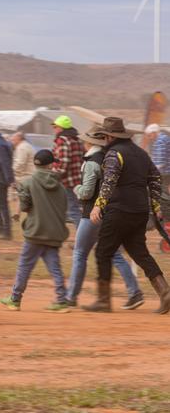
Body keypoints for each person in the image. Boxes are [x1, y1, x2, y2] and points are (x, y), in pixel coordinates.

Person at [83, 117, 170, 314]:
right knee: (140, 253)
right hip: (140, 211)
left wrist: (99, 205)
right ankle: (165, 292)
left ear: (108, 136)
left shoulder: (114, 153)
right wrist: (155, 203)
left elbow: (109, 181)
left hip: (119, 210)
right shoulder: (141, 153)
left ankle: (104, 301)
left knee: (102, 252)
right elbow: (156, 177)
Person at [64, 127, 143, 308]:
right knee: (113, 254)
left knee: (79, 253)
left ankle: (71, 296)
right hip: (110, 212)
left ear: (91, 143)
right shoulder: (109, 159)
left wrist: (76, 188)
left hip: (91, 213)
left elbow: (86, 193)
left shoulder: (92, 162)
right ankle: (134, 292)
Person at [0, 149, 70, 313]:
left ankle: (15, 299)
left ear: (36, 164)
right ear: (51, 164)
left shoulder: (28, 182)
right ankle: (61, 300)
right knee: (55, 267)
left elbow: (25, 207)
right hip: (54, 233)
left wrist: (22, 195)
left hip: (35, 232)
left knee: (24, 266)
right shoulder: (60, 186)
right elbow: (64, 208)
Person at [51, 115, 84, 227]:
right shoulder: (77, 139)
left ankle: (84, 239)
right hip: (77, 179)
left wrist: (53, 175)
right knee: (73, 209)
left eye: (55, 126)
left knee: (73, 210)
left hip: (66, 181)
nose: (54, 129)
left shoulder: (62, 140)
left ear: (61, 127)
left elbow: (63, 163)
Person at [145, 123, 170, 190]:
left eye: (149, 135)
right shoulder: (165, 138)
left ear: (154, 133)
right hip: (167, 171)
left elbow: (160, 161)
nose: (149, 138)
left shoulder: (160, 141)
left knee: (162, 191)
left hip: (164, 172)